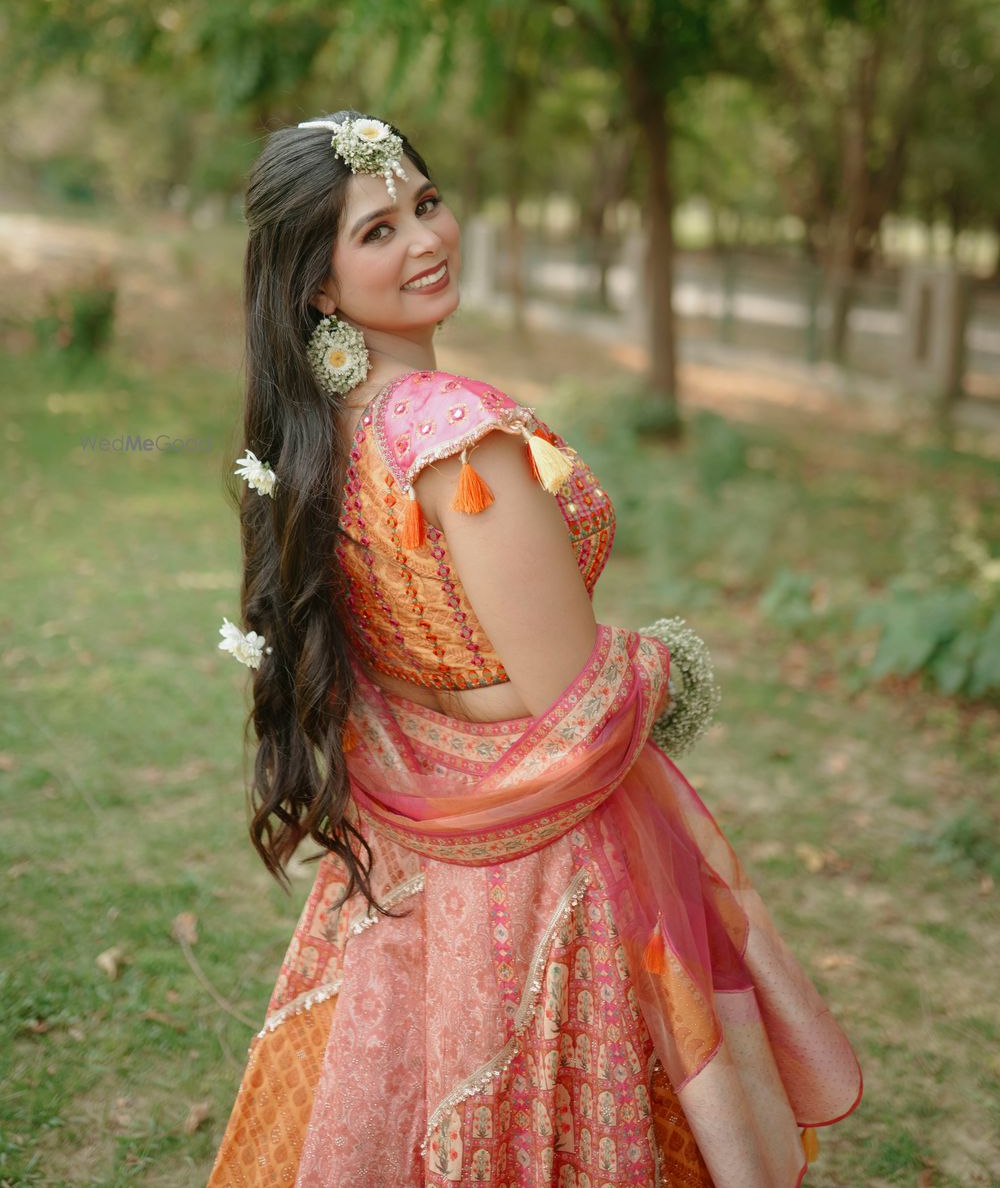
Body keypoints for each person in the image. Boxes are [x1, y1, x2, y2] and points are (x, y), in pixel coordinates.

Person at [206, 110, 862, 1188]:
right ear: (318, 285)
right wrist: (662, 662)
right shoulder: (457, 435)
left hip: (425, 853)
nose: (427, 240)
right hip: (545, 856)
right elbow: (578, 697)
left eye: (426, 204)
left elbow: (404, 657)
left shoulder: (324, 434)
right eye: (378, 231)